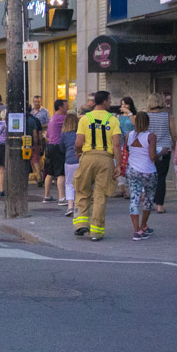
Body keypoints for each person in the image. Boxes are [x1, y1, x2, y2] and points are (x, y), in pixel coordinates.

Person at [73, 91, 120, 241]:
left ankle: (81, 224)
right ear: (105, 101)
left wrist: (79, 155)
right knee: (100, 195)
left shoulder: (84, 119)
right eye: (109, 100)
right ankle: (96, 232)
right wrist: (118, 164)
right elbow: (117, 144)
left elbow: (78, 142)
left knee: (82, 190)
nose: (110, 102)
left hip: (87, 157)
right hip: (106, 159)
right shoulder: (113, 120)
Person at [124, 111, 157, 240]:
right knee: (148, 198)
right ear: (148, 122)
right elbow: (152, 156)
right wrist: (162, 153)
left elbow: (127, 149)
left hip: (132, 170)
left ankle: (136, 229)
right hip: (148, 171)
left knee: (134, 198)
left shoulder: (129, 135)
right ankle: (143, 225)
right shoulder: (151, 136)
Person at [146, 96, 173, 213]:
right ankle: (160, 206)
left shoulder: (146, 115)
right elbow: (173, 130)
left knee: (150, 176)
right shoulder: (167, 115)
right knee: (161, 177)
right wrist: (175, 142)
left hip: (150, 147)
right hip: (165, 148)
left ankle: (149, 203)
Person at [41, 99, 68, 203]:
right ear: (60, 107)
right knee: (61, 173)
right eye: (66, 106)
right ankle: (62, 197)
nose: (68, 108)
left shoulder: (52, 119)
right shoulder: (62, 118)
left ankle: (46, 196)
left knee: (50, 172)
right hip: (58, 147)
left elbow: (47, 135)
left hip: (50, 146)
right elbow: (75, 120)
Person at [60, 112, 79, 216]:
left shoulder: (64, 135)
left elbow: (61, 148)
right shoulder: (80, 133)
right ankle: (80, 206)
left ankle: (70, 206)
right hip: (81, 160)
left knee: (69, 184)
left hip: (69, 161)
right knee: (81, 184)